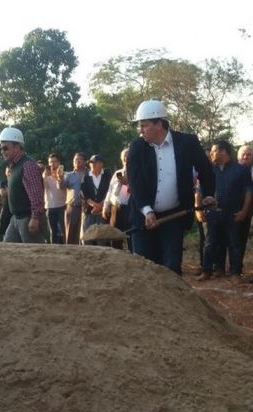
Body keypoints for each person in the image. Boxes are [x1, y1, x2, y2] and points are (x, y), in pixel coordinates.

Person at [127, 99, 215, 274]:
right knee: (145, 268)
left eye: (144, 125)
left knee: (171, 267)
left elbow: (205, 170)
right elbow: (135, 184)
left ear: (159, 124)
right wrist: (147, 210)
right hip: (143, 218)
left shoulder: (187, 143)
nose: (140, 130)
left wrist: (209, 194)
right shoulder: (137, 147)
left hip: (174, 217)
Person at [197, 141, 252, 283]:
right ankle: (207, 271)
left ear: (223, 152)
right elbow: (199, 191)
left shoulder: (240, 170)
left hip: (232, 213)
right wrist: (198, 210)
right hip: (213, 214)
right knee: (210, 243)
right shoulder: (209, 170)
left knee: (234, 243)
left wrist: (244, 211)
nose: (211, 154)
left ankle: (235, 273)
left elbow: (248, 192)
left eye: (214, 151)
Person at [0, 127, 47, 243]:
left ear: (17, 147)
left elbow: (36, 194)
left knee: (35, 254)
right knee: (8, 252)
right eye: (1, 148)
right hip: (16, 218)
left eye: (5, 148)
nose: (2, 151)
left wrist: (35, 218)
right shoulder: (13, 166)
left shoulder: (27, 165)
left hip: (27, 218)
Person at [103, 148, 131, 250]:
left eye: (128, 156)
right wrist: (106, 205)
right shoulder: (117, 173)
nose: (125, 158)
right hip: (115, 208)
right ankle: (116, 258)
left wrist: (127, 183)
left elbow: (138, 189)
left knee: (130, 235)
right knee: (115, 237)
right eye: (124, 156)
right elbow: (110, 190)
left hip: (129, 208)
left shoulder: (136, 172)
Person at [81, 154, 112, 245]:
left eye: (95, 163)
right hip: (89, 212)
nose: (93, 165)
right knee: (88, 239)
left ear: (101, 164)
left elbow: (109, 192)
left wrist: (100, 206)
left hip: (103, 212)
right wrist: (95, 205)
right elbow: (84, 194)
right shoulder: (85, 177)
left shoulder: (107, 176)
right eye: (91, 163)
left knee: (102, 240)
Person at [61, 152, 87, 244]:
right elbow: (61, 186)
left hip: (87, 208)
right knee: (70, 233)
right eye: (75, 160)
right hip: (72, 208)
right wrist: (59, 178)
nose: (77, 161)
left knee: (85, 234)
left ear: (85, 162)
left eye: (80, 159)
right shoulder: (68, 175)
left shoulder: (89, 174)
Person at [43, 153, 66, 244]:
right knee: (53, 232)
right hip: (50, 207)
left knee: (63, 231)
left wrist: (59, 177)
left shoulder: (64, 174)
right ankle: (54, 249)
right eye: (50, 162)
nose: (52, 164)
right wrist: (44, 177)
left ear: (59, 162)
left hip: (62, 206)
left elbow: (61, 187)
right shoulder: (45, 176)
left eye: (54, 162)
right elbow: (42, 188)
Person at [0, 167, 11, 239]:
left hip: (16, 209)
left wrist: (8, 190)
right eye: (8, 171)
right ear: (6, 172)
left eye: (11, 171)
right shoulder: (3, 182)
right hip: (6, 208)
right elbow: (2, 193)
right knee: (4, 229)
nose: (9, 173)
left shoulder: (18, 181)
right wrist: (13, 190)